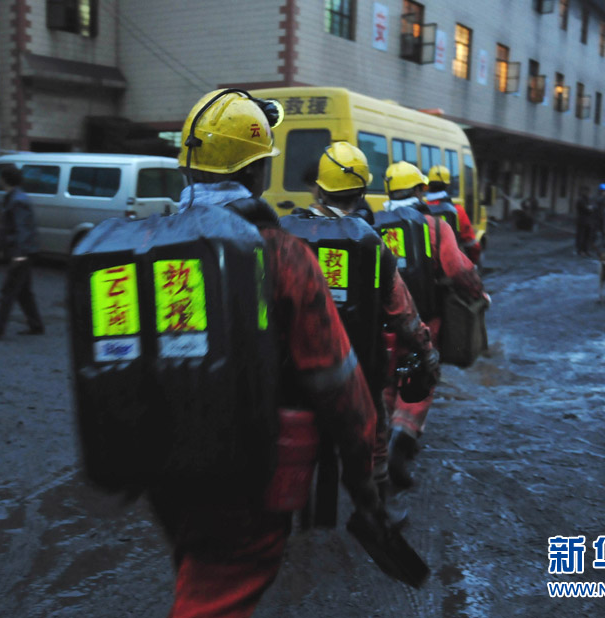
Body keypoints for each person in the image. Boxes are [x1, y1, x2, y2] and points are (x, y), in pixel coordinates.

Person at [148, 90, 385, 617]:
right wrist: (364, 483)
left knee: (197, 570)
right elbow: (339, 383)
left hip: (162, 467)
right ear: (257, 172)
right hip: (246, 472)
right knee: (216, 593)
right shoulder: (283, 256)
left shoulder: (149, 243)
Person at [304, 141, 439, 495]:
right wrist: (427, 352)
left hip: (298, 371)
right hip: (360, 371)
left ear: (318, 189)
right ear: (363, 192)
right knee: (376, 430)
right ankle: (376, 502)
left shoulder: (287, 235)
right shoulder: (370, 243)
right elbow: (402, 312)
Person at [382, 161, 486, 487]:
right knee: (418, 381)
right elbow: (459, 270)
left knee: (385, 380)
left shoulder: (371, 225)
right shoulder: (435, 226)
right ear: (418, 190)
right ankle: (401, 437)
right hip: (425, 321)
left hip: (380, 324)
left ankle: (384, 433)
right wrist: (478, 294)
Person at [0, 164, 44, 338]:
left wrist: (19, 254)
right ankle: (36, 324)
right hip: (23, 250)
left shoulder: (17, 200)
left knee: (9, 289)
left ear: (4, 180)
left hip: (22, 252)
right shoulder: (15, 197)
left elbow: (22, 229)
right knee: (23, 291)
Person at [425, 165, 481, 264]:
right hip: (451, 266)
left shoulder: (419, 210)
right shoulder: (456, 210)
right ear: (447, 186)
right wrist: (473, 262)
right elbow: (470, 243)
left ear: (428, 185)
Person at [574, 186, 594, 256]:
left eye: (588, 192)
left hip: (589, 221)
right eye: (586, 191)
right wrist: (589, 208)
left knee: (587, 236)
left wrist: (590, 208)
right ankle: (580, 250)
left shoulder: (589, 200)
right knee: (581, 236)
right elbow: (586, 209)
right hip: (582, 220)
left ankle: (586, 250)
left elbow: (593, 208)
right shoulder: (580, 200)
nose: (588, 193)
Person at [593, 183, 605, 248]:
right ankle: (595, 242)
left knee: (604, 230)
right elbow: (595, 204)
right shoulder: (597, 197)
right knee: (596, 230)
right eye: (602, 190)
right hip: (597, 216)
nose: (603, 192)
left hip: (604, 216)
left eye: (604, 191)